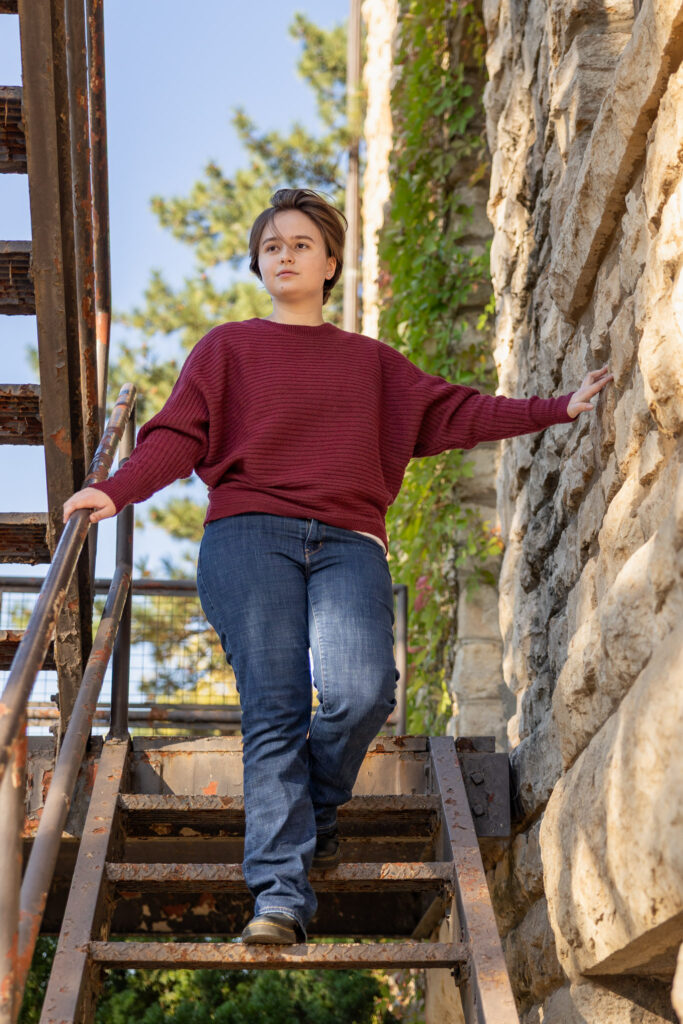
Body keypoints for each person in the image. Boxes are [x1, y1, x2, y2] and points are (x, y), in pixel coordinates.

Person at [63, 188, 612, 945]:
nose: (282, 254)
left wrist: (554, 408)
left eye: (298, 243)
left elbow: (457, 413)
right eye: (270, 246)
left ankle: (313, 816)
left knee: (361, 691)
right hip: (250, 535)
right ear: (259, 266)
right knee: (275, 705)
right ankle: (280, 898)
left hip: (349, 540)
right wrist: (115, 489)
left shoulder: (373, 365)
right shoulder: (228, 348)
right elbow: (177, 436)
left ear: (329, 262)